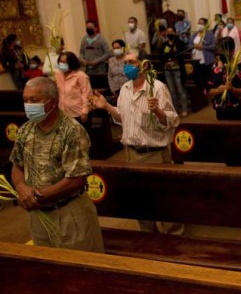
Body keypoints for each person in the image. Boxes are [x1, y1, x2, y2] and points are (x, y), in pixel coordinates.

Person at [90, 53, 182, 234]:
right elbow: (123, 118)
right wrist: (107, 106)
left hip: (154, 152)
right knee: (140, 198)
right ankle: (149, 235)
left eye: (131, 62)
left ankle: (174, 236)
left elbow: (173, 120)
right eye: (125, 63)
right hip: (131, 153)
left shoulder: (157, 87)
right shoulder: (124, 88)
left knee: (163, 197)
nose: (127, 66)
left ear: (144, 65)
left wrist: (157, 112)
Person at [9, 77, 104, 252]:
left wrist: (36, 197)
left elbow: (77, 179)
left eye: (34, 100)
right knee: (48, 269)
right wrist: (21, 186)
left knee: (80, 268)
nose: (28, 105)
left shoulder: (71, 131)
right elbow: (17, 165)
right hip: (38, 213)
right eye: (25, 100)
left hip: (68, 212)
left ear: (53, 102)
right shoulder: (25, 130)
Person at [205, 53, 241, 120]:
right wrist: (218, 90)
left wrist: (233, 89)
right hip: (221, 109)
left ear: (233, 51)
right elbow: (208, 91)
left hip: (239, 109)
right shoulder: (214, 68)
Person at [55, 51, 92, 126]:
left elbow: (86, 94)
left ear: (71, 63)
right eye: (60, 61)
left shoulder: (80, 75)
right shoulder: (58, 74)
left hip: (78, 112)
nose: (62, 64)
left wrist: (85, 111)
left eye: (64, 62)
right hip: (63, 113)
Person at [160, 28, 188, 118]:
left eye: (171, 32)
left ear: (174, 33)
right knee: (171, 91)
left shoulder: (178, 43)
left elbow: (182, 52)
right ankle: (175, 110)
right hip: (167, 70)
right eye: (168, 32)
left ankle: (184, 109)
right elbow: (162, 55)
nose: (169, 34)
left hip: (177, 70)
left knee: (180, 89)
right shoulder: (164, 44)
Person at [190, 17, 217, 90]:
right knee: (198, 80)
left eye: (201, 23)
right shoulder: (195, 34)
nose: (199, 25)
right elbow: (189, 45)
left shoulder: (209, 34)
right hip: (196, 60)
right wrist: (194, 46)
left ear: (206, 25)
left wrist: (203, 47)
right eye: (199, 23)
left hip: (206, 61)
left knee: (207, 80)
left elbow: (214, 46)